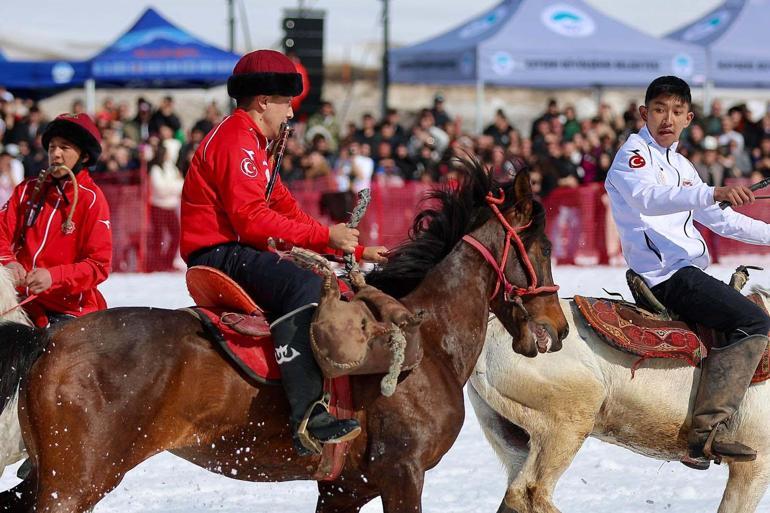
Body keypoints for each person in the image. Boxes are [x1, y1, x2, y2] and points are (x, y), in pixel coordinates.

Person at [180, 49, 388, 456]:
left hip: (234, 249)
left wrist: (350, 245)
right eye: (287, 104)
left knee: (324, 278)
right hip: (222, 253)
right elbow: (253, 221)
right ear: (263, 102)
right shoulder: (236, 139)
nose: (291, 114)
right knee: (306, 284)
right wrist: (325, 237)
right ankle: (308, 416)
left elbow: (286, 209)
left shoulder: (255, 144)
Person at [605, 76, 770, 469]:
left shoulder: (683, 165)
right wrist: (711, 191)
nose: (667, 118)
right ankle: (706, 432)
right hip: (666, 276)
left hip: (687, 271)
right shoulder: (633, 155)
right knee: (755, 321)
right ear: (644, 113)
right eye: (660, 109)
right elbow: (649, 198)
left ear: (689, 118)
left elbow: (723, 221)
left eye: (677, 112)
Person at [0, 113, 112, 328]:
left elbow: (98, 265)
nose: (56, 154)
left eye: (65, 147)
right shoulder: (27, 189)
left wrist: (53, 277)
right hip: (21, 301)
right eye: (52, 147)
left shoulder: (92, 200)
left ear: (85, 156)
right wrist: (9, 262)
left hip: (69, 310)